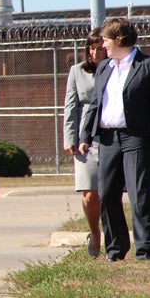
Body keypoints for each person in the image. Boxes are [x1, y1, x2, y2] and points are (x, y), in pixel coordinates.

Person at [79, 18, 150, 262]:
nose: (102, 46)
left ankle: (146, 250)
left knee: (139, 193)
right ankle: (115, 249)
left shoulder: (149, 65)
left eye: (106, 40)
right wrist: (86, 136)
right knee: (107, 194)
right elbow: (95, 104)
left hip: (137, 138)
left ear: (119, 40)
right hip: (109, 139)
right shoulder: (104, 67)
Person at [63, 28, 107, 258]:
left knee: (109, 191)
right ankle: (95, 232)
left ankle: (112, 236)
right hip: (84, 139)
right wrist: (70, 138)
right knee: (90, 193)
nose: (95, 52)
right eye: (91, 48)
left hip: (109, 134)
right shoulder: (77, 72)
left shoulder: (115, 68)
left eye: (100, 48)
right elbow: (71, 106)